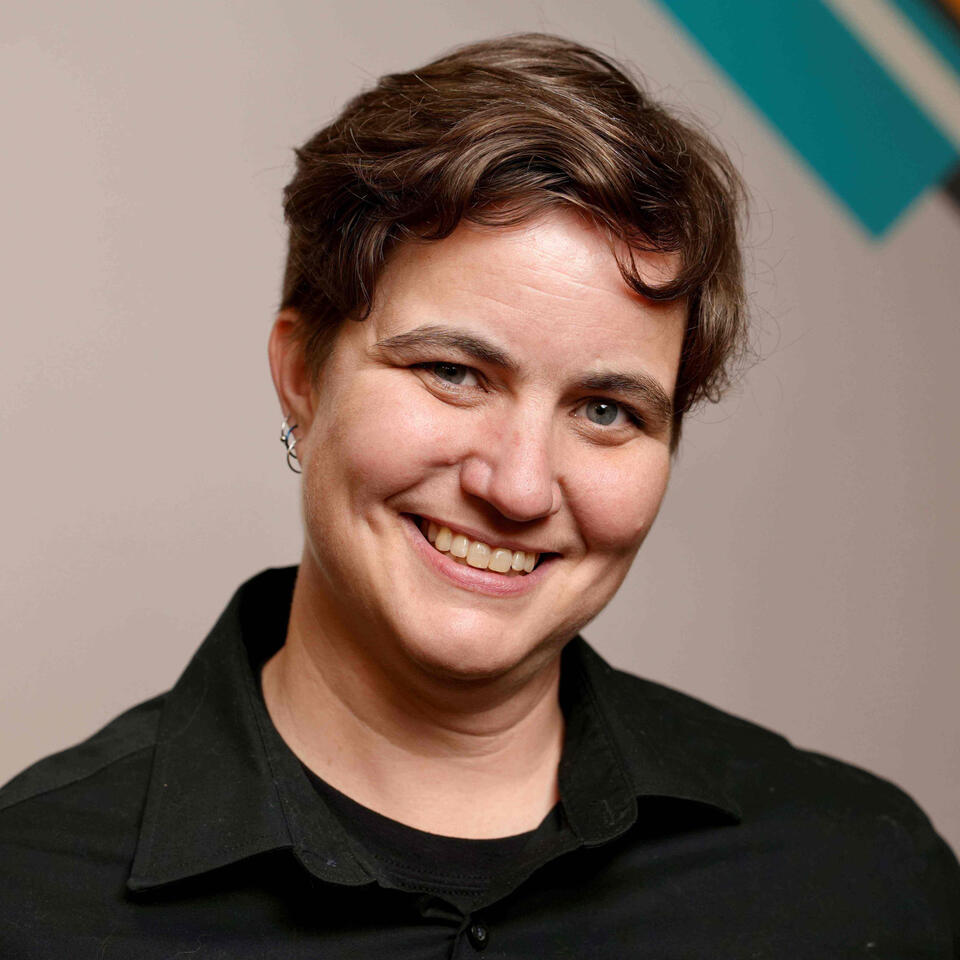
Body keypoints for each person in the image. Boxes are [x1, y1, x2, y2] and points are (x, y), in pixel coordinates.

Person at [1, 33, 957, 958]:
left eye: (607, 410)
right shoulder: (29, 896)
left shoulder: (859, 880)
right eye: (454, 372)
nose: (519, 485)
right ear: (301, 375)